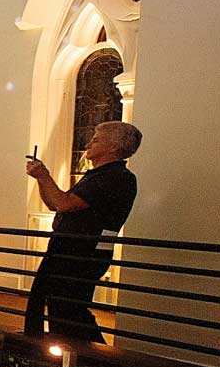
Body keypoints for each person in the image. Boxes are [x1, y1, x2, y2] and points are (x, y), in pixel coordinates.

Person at [24, 120, 141, 342]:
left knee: (68, 307)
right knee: (56, 303)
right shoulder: (97, 175)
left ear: (113, 147)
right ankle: (60, 350)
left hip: (82, 252)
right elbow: (54, 204)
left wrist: (44, 176)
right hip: (68, 247)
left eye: (96, 140)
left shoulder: (116, 177)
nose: (89, 143)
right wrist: (41, 179)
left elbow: (64, 204)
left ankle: (89, 356)